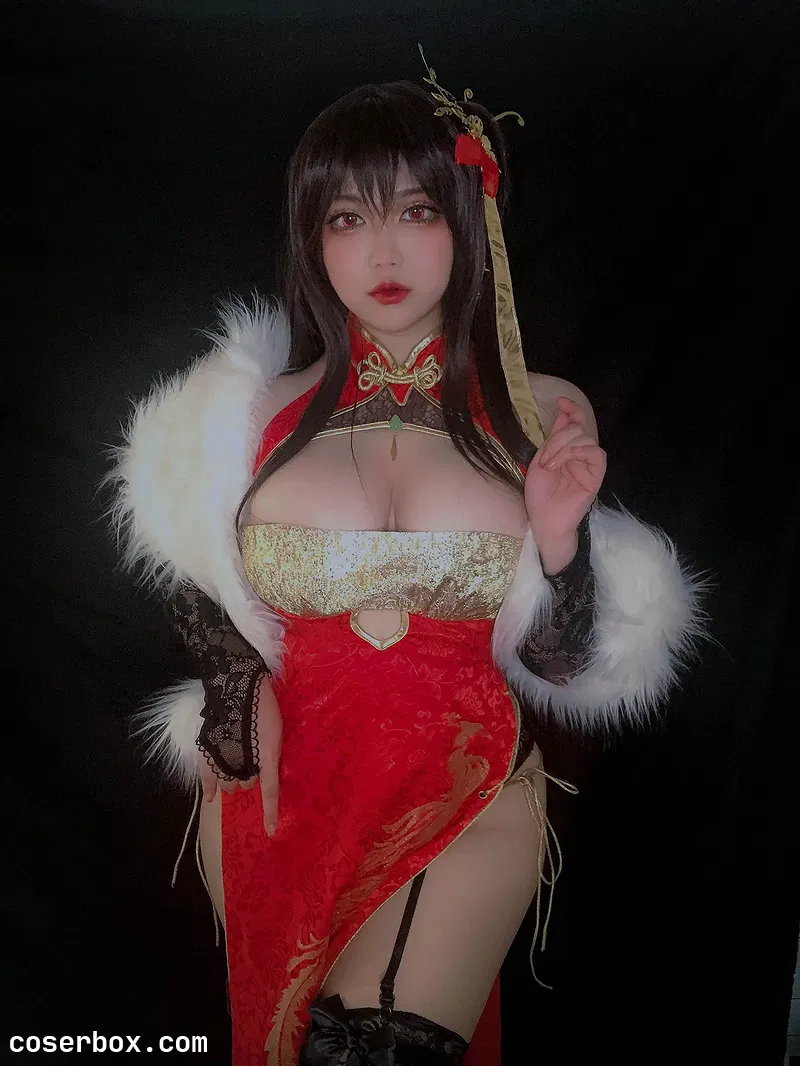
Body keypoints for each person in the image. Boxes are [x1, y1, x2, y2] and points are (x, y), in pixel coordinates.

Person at [104, 57, 704, 1066]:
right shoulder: (240, 413)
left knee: (370, 1051)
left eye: (416, 211)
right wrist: (235, 679)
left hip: (467, 784)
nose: (380, 249)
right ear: (312, 238)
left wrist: (561, 542)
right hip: (286, 800)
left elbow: (560, 662)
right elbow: (190, 575)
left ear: (469, 224)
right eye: (346, 218)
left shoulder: (540, 409)